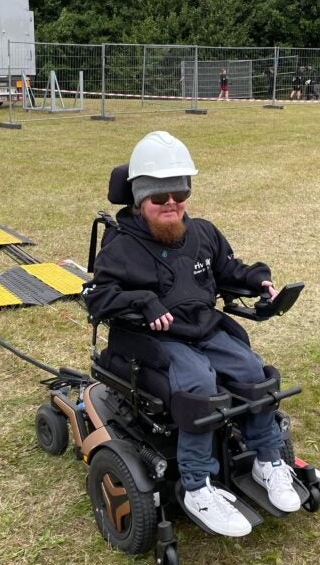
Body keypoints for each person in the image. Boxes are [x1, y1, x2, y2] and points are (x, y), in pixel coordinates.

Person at [83, 130, 301, 538]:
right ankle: (198, 486)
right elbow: (97, 298)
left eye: (179, 195)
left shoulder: (201, 233)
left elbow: (229, 270)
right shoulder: (121, 247)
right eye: (159, 198)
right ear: (139, 198)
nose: (171, 205)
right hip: (152, 340)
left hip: (202, 327)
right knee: (198, 382)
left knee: (253, 371)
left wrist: (260, 281)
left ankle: (267, 460)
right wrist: (143, 302)